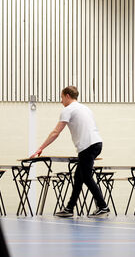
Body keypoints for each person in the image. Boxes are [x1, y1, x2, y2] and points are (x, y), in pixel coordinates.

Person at [30, 86, 109, 218]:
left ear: (67, 96)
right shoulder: (85, 108)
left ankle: (102, 206)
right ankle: (69, 208)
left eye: (61, 97)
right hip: (96, 143)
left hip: (87, 146)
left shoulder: (68, 110)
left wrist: (41, 147)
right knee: (79, 177)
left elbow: (56, 132)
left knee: (86, 177)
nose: (61, 101)